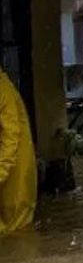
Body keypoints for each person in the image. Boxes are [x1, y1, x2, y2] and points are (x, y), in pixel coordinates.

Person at [0, 68, 36, 234]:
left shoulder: (3, 89)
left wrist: (1, 172)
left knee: (17, 230)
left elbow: (11, 135)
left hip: (14, 177)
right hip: (9, 173)